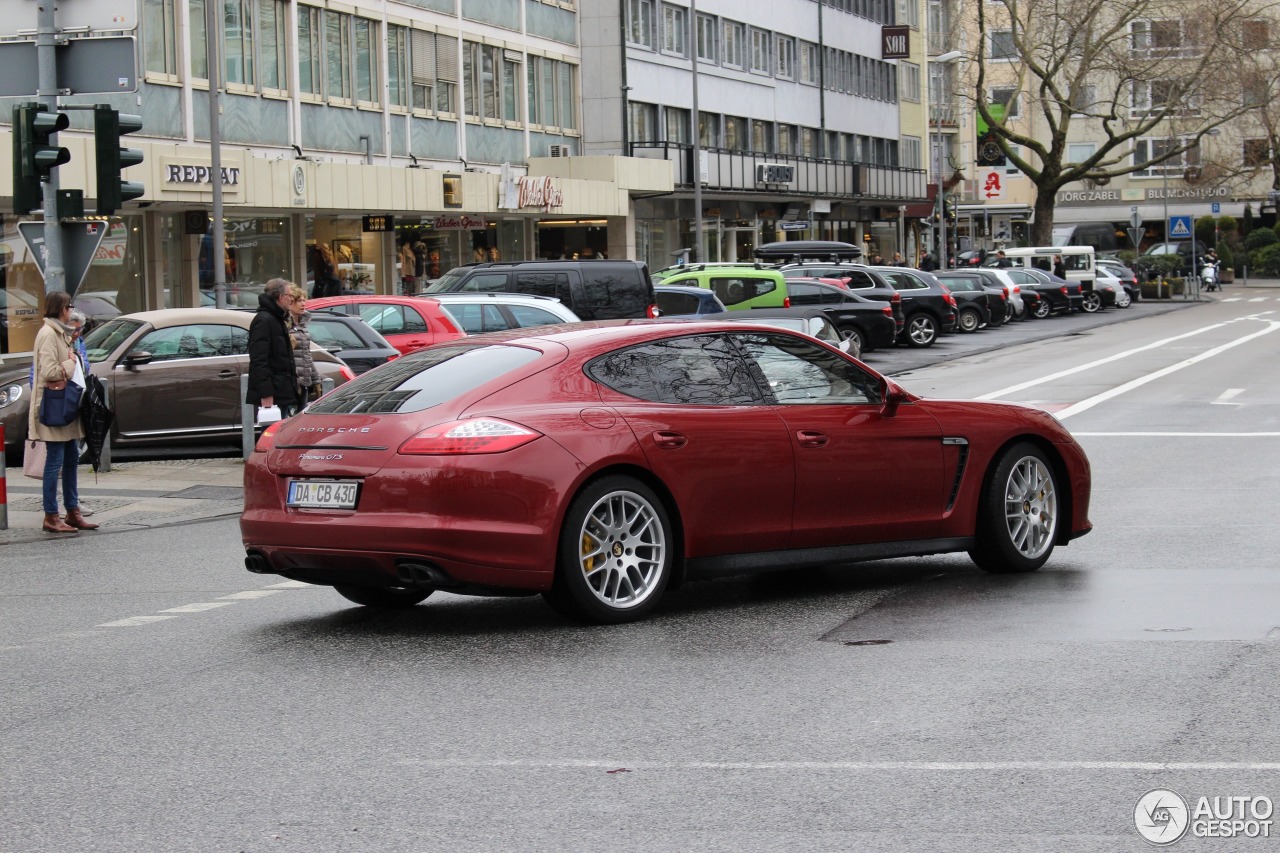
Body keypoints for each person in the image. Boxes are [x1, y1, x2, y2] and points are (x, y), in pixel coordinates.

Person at [30, 291, 97, 533]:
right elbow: (49, 372)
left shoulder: (62, 333)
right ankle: (51, 515)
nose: (70, 310)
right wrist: (71, 362)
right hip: (54, 406)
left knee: (71, 460)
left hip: (67, 405)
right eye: (68, 306)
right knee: (55, 462)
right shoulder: (48, 334)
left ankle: (72, 511)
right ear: (60, 308)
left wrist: (73, 358)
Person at [246, 278, 299, 419]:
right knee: (271, 434)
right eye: (289, 296)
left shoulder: (277, 318)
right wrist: (266, 393)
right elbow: (259, 361)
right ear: (281, 298)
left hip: (281, 390)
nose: (291, 299)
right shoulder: (265, 321)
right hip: (273, 394)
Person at [286, 283, 322, 409]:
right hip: (291, 382)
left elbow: (307, 355)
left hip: (305, 380)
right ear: (290, 303)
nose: (303, 304)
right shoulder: (284, 323)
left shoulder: (302, 325)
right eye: (299, 301)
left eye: (303, 300)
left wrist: (316, 379)